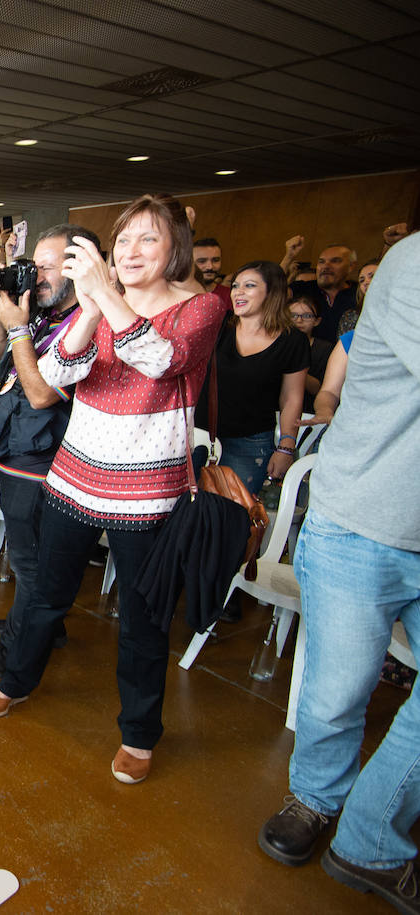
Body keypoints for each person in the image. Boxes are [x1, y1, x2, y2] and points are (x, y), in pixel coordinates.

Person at [0, 193, 224, 787]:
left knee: (143, 618)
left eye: (149, 239)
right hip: (75, 478)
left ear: (175, 249)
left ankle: (139, 733)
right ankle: (17, 680)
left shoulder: (201, 307)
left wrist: (106, 296)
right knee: (46, 594)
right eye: (125, 239)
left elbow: (162, 360)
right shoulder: (102, 302)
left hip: (148, 493)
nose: (132, 251)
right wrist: (88, 308)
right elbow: (57, 373)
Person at [256, 234, 420, 909]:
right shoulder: (413, 261)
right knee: (336, 692)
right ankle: (317, 799)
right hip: (365, 520)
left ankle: (371, 830)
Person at [0, 225, 96, 679]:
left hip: (45, 464)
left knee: (30, 563)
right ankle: (46, 626)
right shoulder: (43, 314)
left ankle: (18, 649)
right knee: (31, 560)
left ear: (77, 269)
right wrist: (7, 311)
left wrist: (19, 325)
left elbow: (41, 395)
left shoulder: (84, 326)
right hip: (18, 450)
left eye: (45, 267)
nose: (34, 276)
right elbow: (0, 351)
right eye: (31, 265)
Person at [203, 261, 308, 494]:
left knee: (232, 517)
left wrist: (286, 448)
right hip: (202, 435)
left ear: (272, 292)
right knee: (188, 515)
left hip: (250, 443)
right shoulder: (220, 325)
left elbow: (291, 398)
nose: (237, 292)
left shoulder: (292, 341)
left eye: (249, 285)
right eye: (235, 285)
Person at [289, 295, 332, 414]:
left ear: (317, 321)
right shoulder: (277, 345)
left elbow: (319, 389)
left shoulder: (325, 349)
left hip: (310, 411)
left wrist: (290, 367)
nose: (299, 320)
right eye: (293, 315)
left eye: (307, 316)